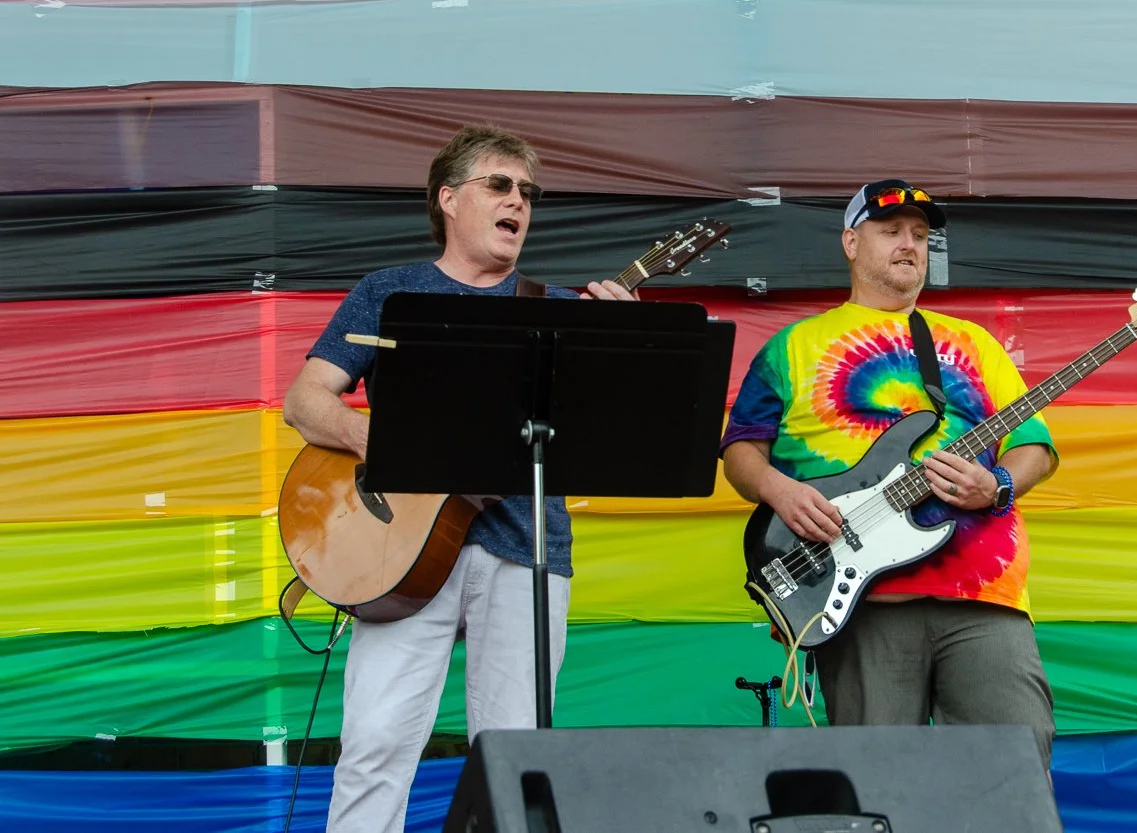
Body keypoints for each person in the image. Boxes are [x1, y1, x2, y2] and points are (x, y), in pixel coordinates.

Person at [283, 125, 636, 833]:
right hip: (396, 554)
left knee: (514, 758)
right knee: (375, 744)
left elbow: (609, 440)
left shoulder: (562, 309)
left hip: (526, 551)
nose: (518, 203)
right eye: (500, 186)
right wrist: (389, 444)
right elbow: (305, 401)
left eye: (528, 193)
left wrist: (618, 352)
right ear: (448, 198)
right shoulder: (389, 292)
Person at [720, 179, 1060, 768]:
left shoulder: (974, 344)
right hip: (856, 600)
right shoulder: (792, 346)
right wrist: (781, 491)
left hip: (984, 595)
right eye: (891, 231)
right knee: (879, 779)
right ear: (852, 242)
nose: (910, 244)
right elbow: (741, 450)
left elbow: (1035, 445)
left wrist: (997, 484)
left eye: (921, 235)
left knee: (1014, 769)